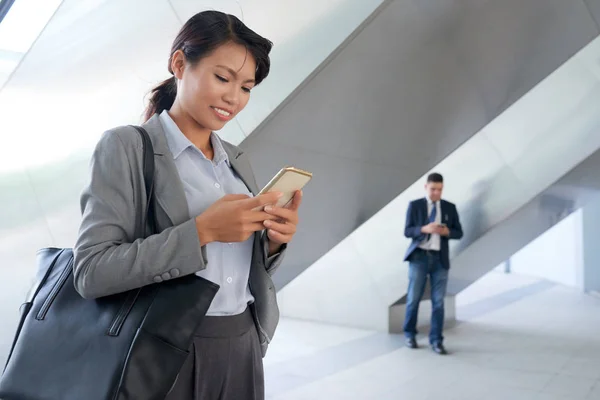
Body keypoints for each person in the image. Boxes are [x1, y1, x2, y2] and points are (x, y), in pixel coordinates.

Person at [73, 11, 301, 399]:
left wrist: (275, 240)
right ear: (179, 64)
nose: (234, 98)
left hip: (243, 343)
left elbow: (242, 264)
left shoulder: (235, 158)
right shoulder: (126, 147)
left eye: (246, 87)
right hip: (167, 350)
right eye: (223, 78)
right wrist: (203, 230)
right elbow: (91, 272)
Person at [402, 173, 462, 355]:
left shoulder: (450, 207)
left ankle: (436, 340)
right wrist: (423, 229)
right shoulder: (415, 205)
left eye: (440, 190)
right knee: (413, 298)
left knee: (438, 302)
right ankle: (410, 334)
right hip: (419, 257)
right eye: (433, 189)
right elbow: (407, 231)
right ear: (425, 187)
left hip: (439, 259)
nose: (437, 193)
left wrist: (446, 232)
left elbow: (459, 232)